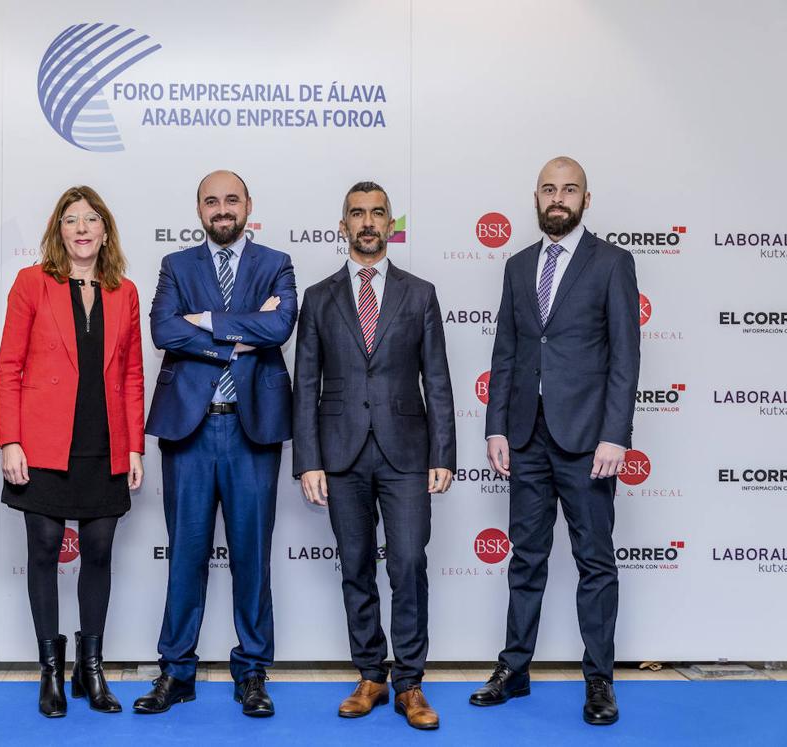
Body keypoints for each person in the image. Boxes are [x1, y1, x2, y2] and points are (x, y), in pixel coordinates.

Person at [470, 157, 639, 726]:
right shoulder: (518, 266)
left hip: (590, 441)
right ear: (536, 197)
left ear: (587, 200)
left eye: (569, 190)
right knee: (527, 558)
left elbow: (625, 359)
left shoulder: (613, 263)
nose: (558, 198)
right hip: (525, 437)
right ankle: (514, 669)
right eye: (549, 189)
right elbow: (506, 351)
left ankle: (599, 681)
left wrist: (616, 435)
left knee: (594, 561)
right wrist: (496, 425)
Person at [293, 181, 456, 730]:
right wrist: (308, 460)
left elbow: (437, 378)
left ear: (391, 224)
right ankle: (371, 674)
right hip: (340, 454)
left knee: (409, 563)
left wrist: (444, 452)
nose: (367, 222)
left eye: (377, 213)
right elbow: (305, 385)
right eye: (357, 214)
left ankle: (410, 682)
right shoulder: (318, 298)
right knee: (356, 567)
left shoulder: (420, 293)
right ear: (343, 225)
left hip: (407, 452)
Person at [133, 170, 296, 718]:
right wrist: (238, 337)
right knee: (185, 556)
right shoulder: (176, 265)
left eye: (231, 200)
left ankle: (252, 671)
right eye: (211, 202)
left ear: (249, 204)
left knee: (252, 555)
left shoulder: (275, 262)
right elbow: (164, 331)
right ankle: (176, 671)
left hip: (253, 430)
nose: (222, 209)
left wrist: (205, 321)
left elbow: (280, 329)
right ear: (198, 209)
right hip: (190, 431)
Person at [0, 186, 145, 717]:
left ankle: (92, 668)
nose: (81, 229)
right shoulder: (32, 283)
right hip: (41, 443)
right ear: (58, 231)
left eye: (91, 220)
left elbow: (130, 374)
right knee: (43, 547)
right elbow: (9, 366)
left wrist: (133, 448)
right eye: (71, 220)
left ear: (105, 231)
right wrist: (9, 439)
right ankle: (51, 672)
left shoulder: (123, 291)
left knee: (99, 549)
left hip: (103, 444)